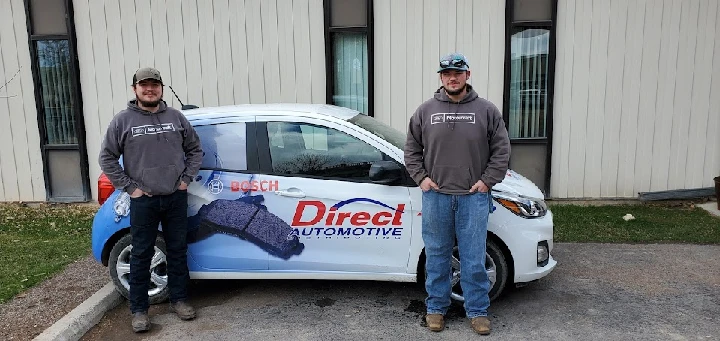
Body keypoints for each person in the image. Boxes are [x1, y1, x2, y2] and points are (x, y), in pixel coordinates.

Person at [404, 53, 510, 335]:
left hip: (473, 198)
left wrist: (487, 181)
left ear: (467, 75)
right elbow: (411, 149)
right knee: (437, 255)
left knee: (473, 256)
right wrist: (422, 179)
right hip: (436, 196)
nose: (452, 77)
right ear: (441, 77)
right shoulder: (426, 111)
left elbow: (502, 150)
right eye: (447, 73)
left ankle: (477, 311)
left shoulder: (486, 110)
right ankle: (436, 308)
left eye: (458, 73)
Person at [99, 67, 203, 333]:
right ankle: (139, 310)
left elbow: (194, 149)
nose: (149, 89)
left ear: (161, 88)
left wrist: (185, 180)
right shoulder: (122, 121)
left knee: (178, 250)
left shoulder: (176, 118)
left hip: (175, 197)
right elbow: (107, 158)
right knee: (141, 254)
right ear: (135, 89)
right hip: (143, 200)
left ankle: (179, 300)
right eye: (144, 85)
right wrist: (130, 188)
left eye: (154, 85)